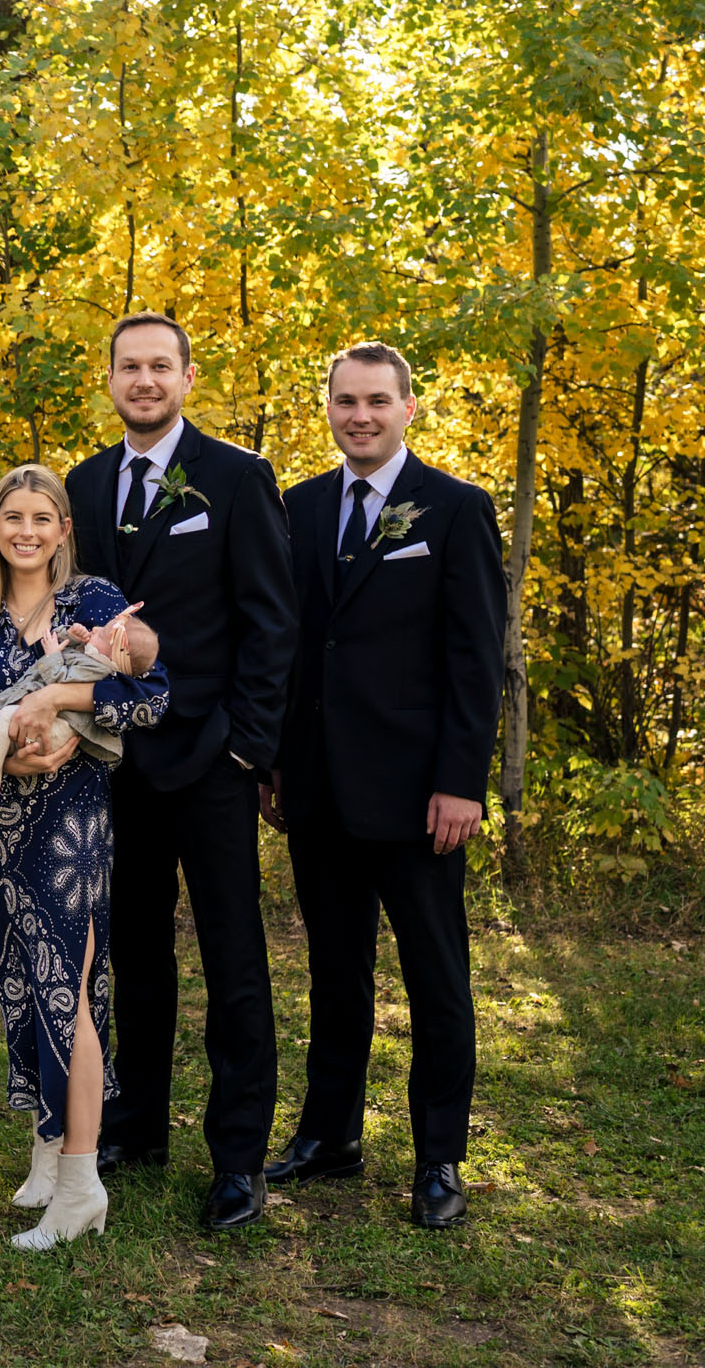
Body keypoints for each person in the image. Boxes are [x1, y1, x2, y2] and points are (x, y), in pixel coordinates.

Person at [63, 312, 298, 1232]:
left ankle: (238, 1156)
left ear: (188, 376)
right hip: (116, 762)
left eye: (162, 365)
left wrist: (249, 745)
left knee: (234, 956)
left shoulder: (237, 477)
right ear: (112, 378)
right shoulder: (83, 484)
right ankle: (138, 1121)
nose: (145, 380)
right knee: (134, 952)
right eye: (130, 366)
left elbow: (270, 622)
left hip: (211, 758)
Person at [264, 342, 505, 1230]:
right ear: (325, 408)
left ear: (409, 407)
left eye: (375, 400)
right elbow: (291, 651)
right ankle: (331, 1135)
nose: (358, 415)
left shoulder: (453, 509)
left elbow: (478, 660)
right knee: (335, 972)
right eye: (344, 401)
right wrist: (279, 761)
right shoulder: (299, 508)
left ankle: (439, 1156)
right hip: (321, 789)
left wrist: (461, 782)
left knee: (437, 976)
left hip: (418, 798)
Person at [0, 465, 169, 1250]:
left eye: (43, 517)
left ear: (63, 528)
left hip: (70, 828)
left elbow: (152, 693)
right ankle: (47, 1145)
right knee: (20, 983)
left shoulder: (92, 602)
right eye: (14, 517)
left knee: (65, 989)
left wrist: (56, 700)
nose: (28, 530)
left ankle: (81, 1183)